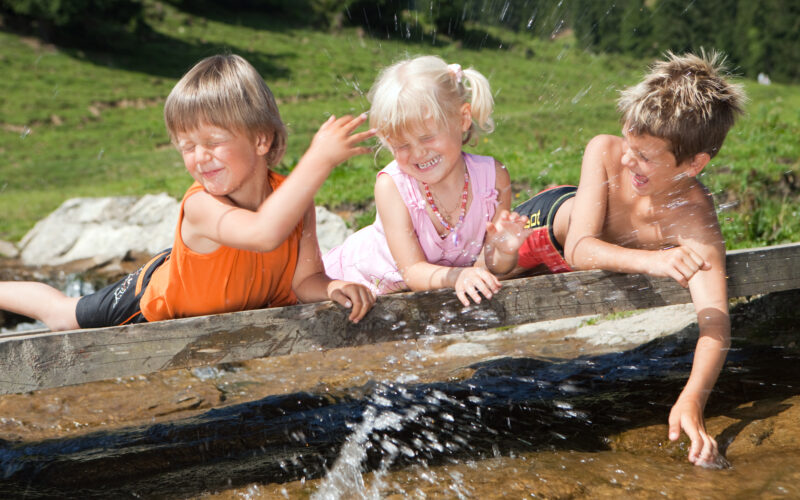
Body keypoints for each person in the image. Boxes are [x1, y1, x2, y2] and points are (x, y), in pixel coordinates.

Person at [0, 54, 376, 331]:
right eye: (187, 146)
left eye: (213, 142)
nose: (200, 156)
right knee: (62, 314)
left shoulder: (294, 203)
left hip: (198, 268)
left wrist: (333, 286)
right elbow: (263, 233)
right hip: (152, 297)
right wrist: (319, 159)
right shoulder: (201, 206)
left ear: (261, 139)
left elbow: (304, 282)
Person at [512, 51, 746, 467]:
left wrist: (693, 398)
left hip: (585, 245)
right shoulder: (605, 150)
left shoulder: (694, 218)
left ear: (694, 164)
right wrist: (654, 261)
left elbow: (715, 323)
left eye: (645, 156)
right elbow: (579, 250)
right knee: (475, 261)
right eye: (629, 144)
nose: (627, 160)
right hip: (543, 226)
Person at [323, 55, 528, 306]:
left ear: (463, 119)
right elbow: (412, 272)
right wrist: (458, 276)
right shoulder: (392, 186)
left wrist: (504, 251)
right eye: (402, 145)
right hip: (351, 287)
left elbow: (486, 267)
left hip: (411, 300)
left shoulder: (493, 178)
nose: (419, 153)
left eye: (427, 137)